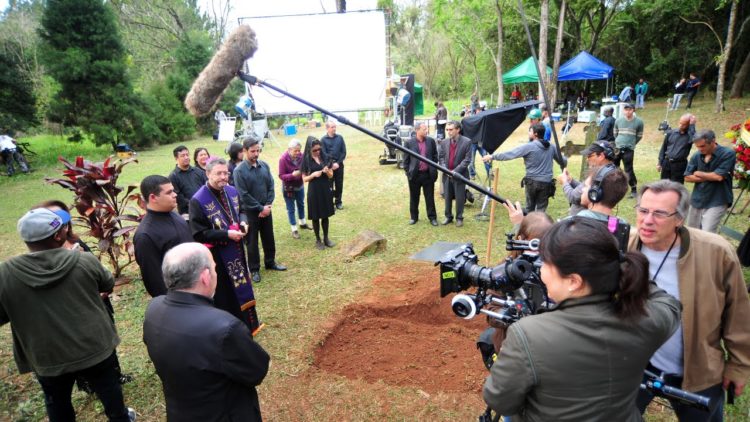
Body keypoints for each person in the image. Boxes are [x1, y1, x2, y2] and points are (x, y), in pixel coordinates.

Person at [483, 218, 680, 421]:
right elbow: (669, 304)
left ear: (573, 281)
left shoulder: (527, 335)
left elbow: (499, 400)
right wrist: (615, 269)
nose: (540, 270)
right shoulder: (648, 322)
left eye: (546, 263)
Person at [0, 208, 136, 422]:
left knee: (57, 401)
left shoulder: (5, 274)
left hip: (48, 355)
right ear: (58, 235)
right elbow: (107, 283)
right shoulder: (84, 261)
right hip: (94, 346)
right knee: (110, 391)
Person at [631, 180, 750, 420]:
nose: (647, 220)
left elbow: (738, 312)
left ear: (680, 218)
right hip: (635, 365)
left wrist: (739, 365)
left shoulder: (716, 252)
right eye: (643, 210)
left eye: (660, 213)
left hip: (697, 370)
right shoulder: (626, 245)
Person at [143, 242, 270, 422]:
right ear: (205, 277)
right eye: (214, 268)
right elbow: (256, 371)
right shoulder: (225, 327)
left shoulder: (153, 309)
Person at [34, 200, 132, 391]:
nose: (62, 222)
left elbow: (94, 270)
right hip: (76, 307)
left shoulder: (77, 241)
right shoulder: (44, 252)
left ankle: (115, 374)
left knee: (106, 338)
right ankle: (86, 382)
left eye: (63, 216)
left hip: (98, 300)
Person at [189, 157, 262, 333]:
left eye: (226, 173)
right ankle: (233, 329)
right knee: (227, 294)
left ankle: (249, 325)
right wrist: (227, 234)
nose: (223, 177)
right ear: (207, 174)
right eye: (218, 173)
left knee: (242, 286)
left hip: (236, 250)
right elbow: (198, 233)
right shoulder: (198, 200)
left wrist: (244, 223)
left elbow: (242, 211)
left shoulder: (232, 191)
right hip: (218, 257)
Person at [234, 138, 287, 283]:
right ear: (244, 151)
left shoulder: (264, 166)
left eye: (258, 150)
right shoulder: (239, 171)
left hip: (266, 210)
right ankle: (254, 269)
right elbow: (243, 194)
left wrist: (268, 206)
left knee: (268, 237)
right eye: (252, 151)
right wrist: (260, 208)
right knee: (252, 241)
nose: (256, 154)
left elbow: (271, 185)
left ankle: (270, 262)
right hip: (251, 212)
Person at [483, 123, 566, 213]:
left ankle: (529, 225)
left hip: (532, 182)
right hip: (546, 183)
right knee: (541, 211)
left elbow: (511, 154)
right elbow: (563, 162)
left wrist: (492, 157)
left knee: (529, 209)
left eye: (530, 131)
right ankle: (540, 225)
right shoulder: (551, 146)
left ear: (536, 134)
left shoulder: (529, 147)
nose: (528, 133)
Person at [134, 175, 193, 297]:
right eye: (169, 192)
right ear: (153, 197)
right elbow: (155, 282)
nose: (175, 194)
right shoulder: (145, 236)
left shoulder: (174, 215)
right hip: (180, 300)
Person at [684, 129, 736, 233]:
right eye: (697, 146)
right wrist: (710, 176)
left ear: (713, 141)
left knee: (707, 234)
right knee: (691, 233)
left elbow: (718, 177)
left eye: (702, 146)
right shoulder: (697, 155)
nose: (699, 149)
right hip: (697, 200)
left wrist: (698, 173)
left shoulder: (728, 153)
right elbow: (686, 177)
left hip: (717, 200)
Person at [558, 140, 616, 216]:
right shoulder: (608, 171)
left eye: (590, 156)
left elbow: (573, 197)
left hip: (581, 221)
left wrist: (564, 182)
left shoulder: (599, 176)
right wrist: (571, 181)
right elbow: (585, 189)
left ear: (601, 156)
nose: (587, 159)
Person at [301, 136, 336, 250]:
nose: (317, 152)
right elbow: (304, 179)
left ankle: (326, 238)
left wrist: (327, 172)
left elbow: (331, 175)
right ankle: (318, 240)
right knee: (316, 216)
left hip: (325, 188)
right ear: (309, 149)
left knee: (325, 215)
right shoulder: (306, 160)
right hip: (314, 190)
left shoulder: (324, 157)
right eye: (314, 150)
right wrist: (313, 175)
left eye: (319, 149)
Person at [403, 122, 438, 226]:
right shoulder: (409, 143)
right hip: (415, 175)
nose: (426, 130)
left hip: (428, 175)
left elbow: (435, 156)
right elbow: (406, 160)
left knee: (429, 197)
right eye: (424, 129)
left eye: (426, 128)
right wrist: (408, 172)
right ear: (417, 130)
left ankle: (432, 218)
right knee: (414, 197)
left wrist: (433, 167)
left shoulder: (431, 141)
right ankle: (414, 217)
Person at [439, 120, 472, 227]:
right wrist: (445, 170)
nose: (449, 132)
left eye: (451, 129)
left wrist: (455, 171)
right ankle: (448, 217)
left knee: (460, 197)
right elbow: (441, 158)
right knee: (447, 197)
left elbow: (467, 160)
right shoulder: (444, 142)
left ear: (458, 130)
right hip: (447, 175)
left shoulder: (467, 142)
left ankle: (459, 218)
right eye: (447, 130)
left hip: (460, 175)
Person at [278, 138, 311, 239]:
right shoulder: (283, 159)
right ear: (289, 149)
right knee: (291, 209)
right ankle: (294, 229)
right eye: (295, 150)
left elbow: (305, 168)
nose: (298, 153)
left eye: (299, 150)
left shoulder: (301, 156)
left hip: (299, 186)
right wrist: (292, 175)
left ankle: (303, 223)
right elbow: (281, 176)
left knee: (301, 204)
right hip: (288, 188)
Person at [613, 103, 644, 198]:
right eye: (625, 109)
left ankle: (633, 189)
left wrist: (631, 144)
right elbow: (615, 133)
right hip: (617, 148)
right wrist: (619, 142)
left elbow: (639, 136)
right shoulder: (618, 120)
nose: (627, 111)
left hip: (629, 150)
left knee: (628, 170)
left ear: (633, 110)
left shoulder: (639, 122)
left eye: (629, 109)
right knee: (614, 168)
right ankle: (615, 187)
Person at [169, 145, 207, 216]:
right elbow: (178, 197)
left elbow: (206, 187)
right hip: (188, 213)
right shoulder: (173, 176)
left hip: (205, 207)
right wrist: (195, 204)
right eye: (183, 156)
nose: (186, 157)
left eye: (187, 155)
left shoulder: (198, 171)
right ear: (176, 158)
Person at [657, 113, 696, 184]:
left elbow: (694, 139)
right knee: (663, 185)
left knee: (676, 186)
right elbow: (664, 148)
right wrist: (659, 162)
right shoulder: (671, 133)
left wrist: (692, 125)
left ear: (688, 125)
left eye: (684, 124)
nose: (681, 126)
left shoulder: (689, 136)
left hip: (679, 164)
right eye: (680, 123)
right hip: (667, 162)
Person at [321, 120, 346, 210]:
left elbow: (343, 152)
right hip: (329, 167)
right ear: (327, 128)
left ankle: (338, 202)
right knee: (329, 186)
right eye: (332, 127)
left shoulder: (340, 138)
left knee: (339, 185)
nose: (334, 129)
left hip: (339, 166)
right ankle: (330, 203)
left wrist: (338, 163)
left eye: (335, 127)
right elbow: (324, 154)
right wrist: (331, 164)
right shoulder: (323, 140)